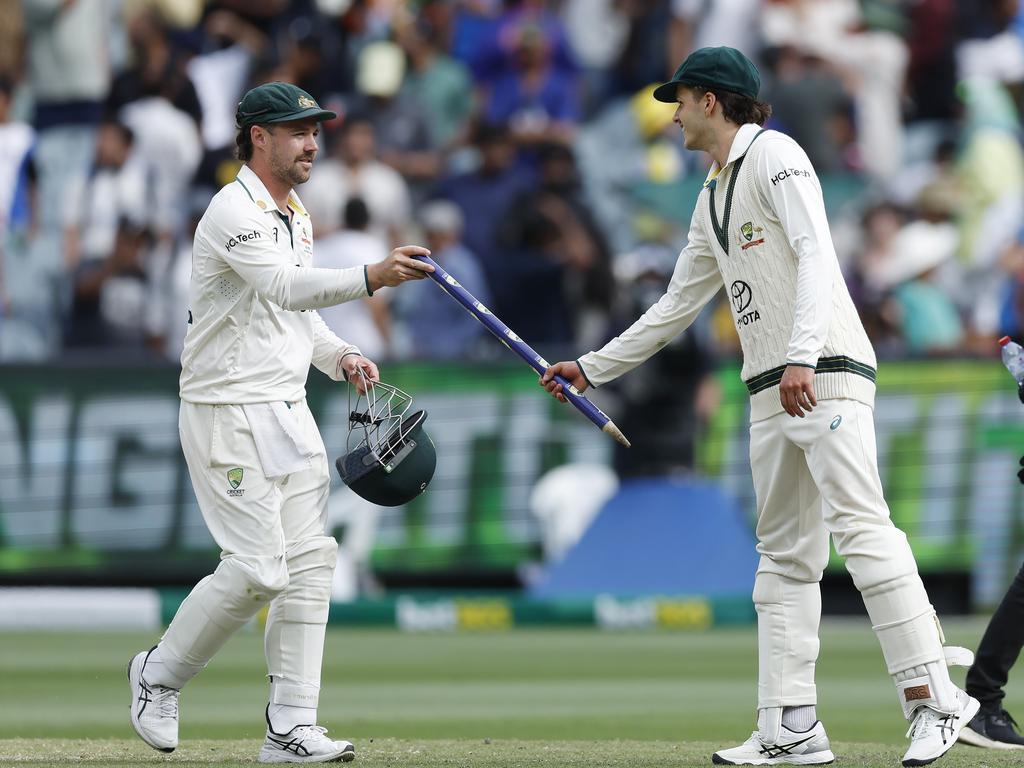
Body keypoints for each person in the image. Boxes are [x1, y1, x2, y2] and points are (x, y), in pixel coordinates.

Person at [541, 47, 979, 767]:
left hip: (823, 369)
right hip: (770, 385)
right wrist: (592, 369)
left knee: (862, 531)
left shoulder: (775, 155)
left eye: (679, 100)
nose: (672, 114)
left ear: (711, 101)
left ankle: (935, 698)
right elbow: (675, 306)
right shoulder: (711, 190)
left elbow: (815, 254)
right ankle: (790, 726)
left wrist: (804, 353)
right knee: (783, 559)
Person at [126, 82, 433, 764]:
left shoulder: (294, 214)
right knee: (258, 570)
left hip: (286, 410)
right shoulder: (231, 210)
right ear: (258, 137)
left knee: (311, 564)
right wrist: (374, 275)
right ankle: (157, 675)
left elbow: (294, 316)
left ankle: (290, 727)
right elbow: (285, 288)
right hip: (224, 408)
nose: (312, 143)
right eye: (298, 131)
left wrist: (340, 353)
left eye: (316, 130)